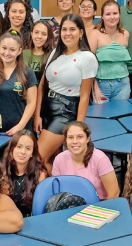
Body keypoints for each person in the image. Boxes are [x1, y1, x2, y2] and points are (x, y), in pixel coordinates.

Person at [34, 14, 98, 172]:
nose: (68, 33)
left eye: (72, 29)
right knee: (53, 161)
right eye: (64, 29)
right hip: (47, 109)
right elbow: (42, 85)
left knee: (36, 159)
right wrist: (37, 115)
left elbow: (84, 96)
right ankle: (56, 191)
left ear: (81, 32)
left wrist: (78, 127)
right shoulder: (56, 52)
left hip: (65, 112)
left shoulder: (87, 58)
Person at [0, 31, 38, 135]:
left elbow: (31, 103)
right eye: (4, 48)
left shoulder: (27, 72)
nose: (7, 53)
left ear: (19, 51)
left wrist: (20, 126)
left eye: (12, 50)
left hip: (20, 132)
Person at [52, 121, 119, 200]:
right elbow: (56, 191)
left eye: (80, 137)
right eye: (70, 137)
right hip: (69, 204)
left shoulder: (100, 159)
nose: (75, 141)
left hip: (99, 205)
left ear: (88, 139)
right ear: (66, 140)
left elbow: (114, 193)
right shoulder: (59, 159)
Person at [88, 0, 131, 102]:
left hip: (123, 85)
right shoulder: (95, 34)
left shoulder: (125, 34)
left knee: (122, 114)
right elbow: (88, 64)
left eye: (115, 13)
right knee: (100, 116)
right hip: (101, 86)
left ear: (119, 15)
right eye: (108, 14)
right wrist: (95, 87)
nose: (112, 17)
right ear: (102, 16)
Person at [1, 129, 46, 216]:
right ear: (12, 149)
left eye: (28, 148)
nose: (23, 152)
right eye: (19, 147)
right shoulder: (2, 171)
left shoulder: (40, 174)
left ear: (32, 153)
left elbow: (41, 208)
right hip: (6, 219)